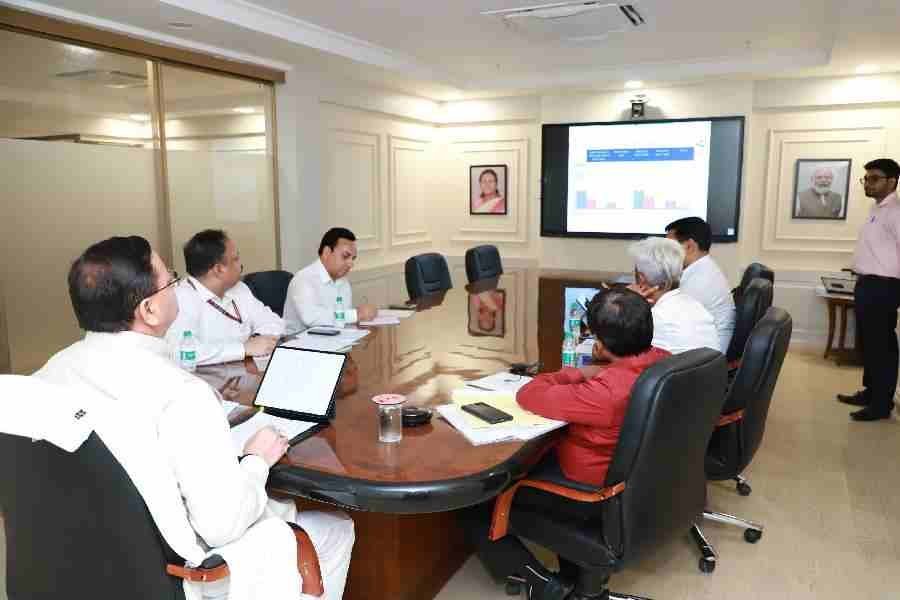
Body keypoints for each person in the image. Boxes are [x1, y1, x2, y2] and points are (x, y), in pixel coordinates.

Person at [34, 236, 354, 598]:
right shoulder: (181, 393)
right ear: (149, 310)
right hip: (178, 574)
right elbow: (223, 526)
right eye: (169, 279)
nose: (177, 286)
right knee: (335, 529)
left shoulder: (49, 372)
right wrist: (255, 460)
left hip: (81, 563)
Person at [461, 288, 669, 600]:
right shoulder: (664, 361)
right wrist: (603, 368)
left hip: (590, 491)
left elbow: (529, 394)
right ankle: (576, 576)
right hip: (640, 485)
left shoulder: (606, 393)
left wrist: (577, 373)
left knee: (476, 501)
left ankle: (545, 588)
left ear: (600, 342)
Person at [837, 158, 900, 421]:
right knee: (868, 342)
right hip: (867, 283)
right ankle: (871, 392)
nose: (868, 183)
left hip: (884, 286)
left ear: (892, 181)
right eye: (866, 179)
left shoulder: (896, 212)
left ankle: (882, 404)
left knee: (882, 345)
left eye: (874, 178)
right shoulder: (876, 209)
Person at [166, 229, 284, 366]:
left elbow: (274, 322)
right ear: (219, 269)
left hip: (242, 372)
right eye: (236, 259)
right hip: (202, 377)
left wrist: (257, 339)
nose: (240, 265)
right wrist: (243, 349)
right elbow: (180, 352)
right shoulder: (180, 298)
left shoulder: (239, 288)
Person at [627, 236, 719, 354]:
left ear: (641, 279)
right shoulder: (697, 307)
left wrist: (628, 303)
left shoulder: (654, 319)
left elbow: (619, 353)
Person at [665, 217, 736, 353]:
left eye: (668, 247)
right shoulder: (704, 268)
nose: (665, 253)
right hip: (705, 350)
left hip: (704, 357)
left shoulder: (699, 280)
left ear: (689, 246)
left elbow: (667, 322)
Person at [284, 228, 376, 329]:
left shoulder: (343, 281)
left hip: (337, 337)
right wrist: (356, 314)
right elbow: (310, 317)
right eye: (345, 256)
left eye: (353, 258)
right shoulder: (303, 279)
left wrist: (361, 315)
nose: (351, 264)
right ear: (326, 253)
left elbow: (343, 320)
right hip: (299, 338)